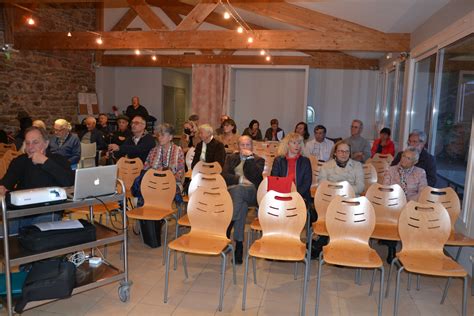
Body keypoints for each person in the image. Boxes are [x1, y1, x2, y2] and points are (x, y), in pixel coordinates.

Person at [0, 126, 75, 235]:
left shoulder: (58, 160)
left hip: (47, 211)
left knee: (33, 236)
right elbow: (6, 183)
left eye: (35, 142)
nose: (30, 147)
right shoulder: (20, 161)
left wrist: (45, 161)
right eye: (28, 143)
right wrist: (2, 188)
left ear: (46, 143)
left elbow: (69, 181)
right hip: (20, 212)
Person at [222, 135, 264, 264]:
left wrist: (249, 159)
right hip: (234, 194)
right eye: (242, 145)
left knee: (239, 192)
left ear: (252, 146)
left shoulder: (258, 160)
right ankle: (239, 245)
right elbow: (224, 176)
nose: (245, 147)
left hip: (251, 192)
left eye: (248, 145)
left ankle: (227, 225)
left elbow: (256, 178)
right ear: (238, 146)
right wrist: (240, 180)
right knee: (241, 205)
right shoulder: (231, 158)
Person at [382, 147, 428, 264]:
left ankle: (408, 249)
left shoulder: (420, 172)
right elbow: (386, 188)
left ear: (415, 162)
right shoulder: (391, 170)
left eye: (408, 158)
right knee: (392, 213)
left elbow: (423, 191)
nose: (403, 160)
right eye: (403, 156)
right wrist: (398, 201)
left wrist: (408, 202)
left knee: (414, 214)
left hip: (412, 204)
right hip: (393, 203)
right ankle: (391, 247)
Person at [271, 132, 312, 205]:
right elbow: (275, 180)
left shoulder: (305, 161)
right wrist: (285, 194)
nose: (297, 146)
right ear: (287, 144)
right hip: (281, 194)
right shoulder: (278, 160)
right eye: (294, 143)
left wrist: (294, 194)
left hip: (300, 195)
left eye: (299, 143)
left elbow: (307, 183)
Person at [143, 123, 185, 196]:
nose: (160, 138)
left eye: (163, 135)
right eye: (159, 135)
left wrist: (165, 177)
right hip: (154, 182)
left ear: (170, 137)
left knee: (165, 192)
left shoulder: (178, 151)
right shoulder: (153, 151)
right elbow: (146, 169)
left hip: (172, 183)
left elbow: (180, 173)